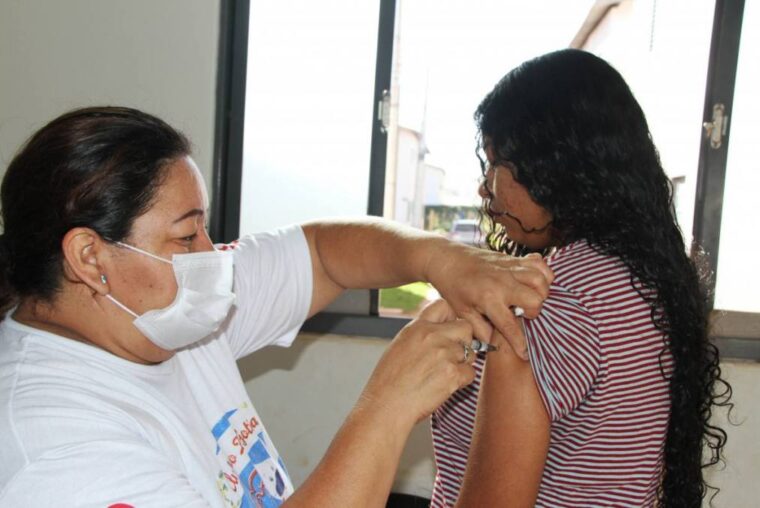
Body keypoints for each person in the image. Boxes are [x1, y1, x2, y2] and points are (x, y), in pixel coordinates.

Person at [0, 107, 553, 507]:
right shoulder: (54, 453)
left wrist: (439, 258)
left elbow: (322, 254)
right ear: (89, 257)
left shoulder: (160, 315)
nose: (211, 256)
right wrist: (387, 407)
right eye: (186, 236)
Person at [430, 49, 732, 507]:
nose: (485, 185)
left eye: (496, 164)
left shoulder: (550, 302)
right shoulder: (643, 280)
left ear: (552, 167)